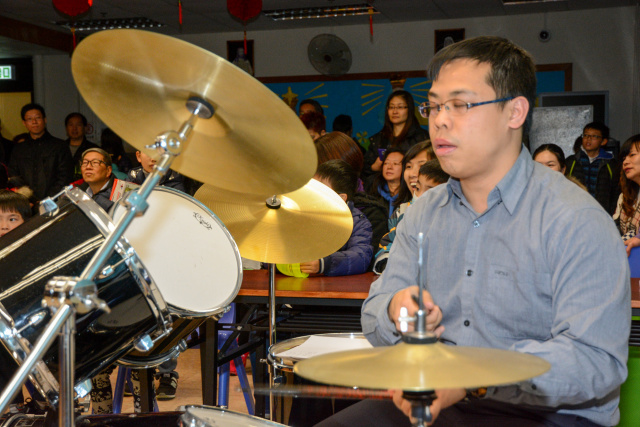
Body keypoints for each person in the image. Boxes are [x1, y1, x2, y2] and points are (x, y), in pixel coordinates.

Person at [319, 36, 629, 427]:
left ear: (515, 112)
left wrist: (473, 378)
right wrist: (396, 308)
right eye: (434, 106)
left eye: (461, 105)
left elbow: (595, 361)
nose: (439, 120)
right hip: (444, 397)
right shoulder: (423, 213)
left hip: (548, 413)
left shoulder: (575, 219)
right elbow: (374, 313)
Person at [373, 159, 448, 274]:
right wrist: (388, 266)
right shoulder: (404, 214)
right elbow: (388, 245)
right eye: (417, 188)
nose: (420, 196)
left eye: (430, 192)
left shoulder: (453, 221)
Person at [300, 160, 373, 276]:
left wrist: (325, 264)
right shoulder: (300, 214)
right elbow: (276, 250)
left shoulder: (358, 222)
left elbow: (361, 258)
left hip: (337, 284)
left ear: (341, 198)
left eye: (320, 189)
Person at [8, 103, 73, 201]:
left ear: (45, 120)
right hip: (26, 202)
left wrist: (48, 200)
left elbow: (65, 176)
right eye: (29, 119)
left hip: (54, 202)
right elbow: (14, 176)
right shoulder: (19, 149)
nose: (34, 122)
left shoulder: (60, 146)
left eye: (38, 118)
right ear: (24, 123)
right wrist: (28, 198)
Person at [362, 90, 428, 185]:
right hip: (383, 189)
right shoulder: (378, 139)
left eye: (400, 107)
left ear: (409, 110)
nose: (395, 111)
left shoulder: (421, 138)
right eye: (391, 107)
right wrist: (374, 167)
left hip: (412, 187)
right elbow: (364, 169)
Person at [566, 122, 619, 214]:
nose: (588, 139)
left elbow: (616, 193)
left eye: (594, 136)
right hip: (576, 213)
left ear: (603, 141)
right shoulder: (571, 161)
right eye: (586, 135)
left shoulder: (611, 164)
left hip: (602, 214)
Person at [613, 134, 640, 255]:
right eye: (624, 158)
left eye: (632, 155)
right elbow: (615, 229)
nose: (625, 162)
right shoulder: (624, 197)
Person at [78, 148, 126, 212]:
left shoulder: (120, 194)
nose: (88, 167)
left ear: (108, 170)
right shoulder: (78, 192)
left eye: (95, 162)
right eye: (85, 163)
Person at [393, 141, 434, 212]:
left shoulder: (451, 211)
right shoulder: (401, 212)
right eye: (409, 166)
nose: (412, 174)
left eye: (422, 166)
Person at [366, 148, 405, 218]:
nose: (389, 167)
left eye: (395, 164)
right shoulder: (372, 189)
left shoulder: (409, 194)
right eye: (386, 163)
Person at [65, 112, 99, 181]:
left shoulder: (93, 149)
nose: (74, 128)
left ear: (85, 128)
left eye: (78, 125)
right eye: (71, 125)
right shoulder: (59, 147)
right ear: (66, 128)